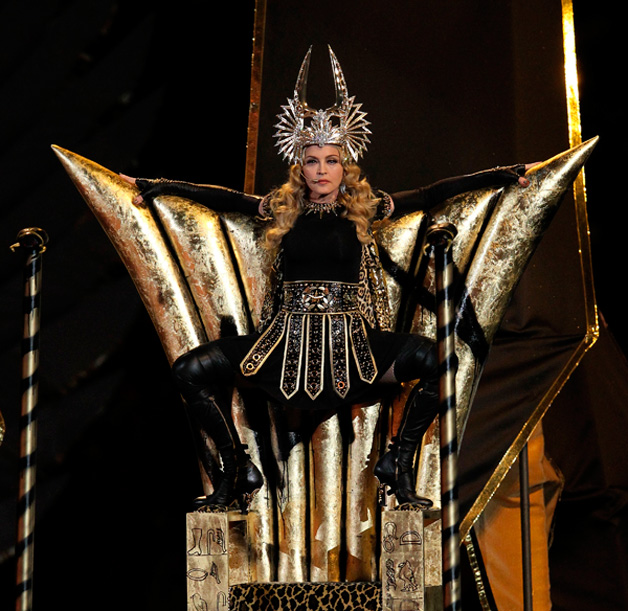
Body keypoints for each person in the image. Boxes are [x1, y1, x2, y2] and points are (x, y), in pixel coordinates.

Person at [121, 46, 531, 511]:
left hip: (353, 347)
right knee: (187, 371)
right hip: (284, 345)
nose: (321, 170)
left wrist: (501, 175)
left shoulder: (366, 208)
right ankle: (236, 468)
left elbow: (432, 193)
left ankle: (397, 462)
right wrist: (158, 187)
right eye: (312, 161)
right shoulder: (283, 207)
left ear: (344, 164)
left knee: (442, 361)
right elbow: (223, 199)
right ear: (300, 165)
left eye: (331, 160)